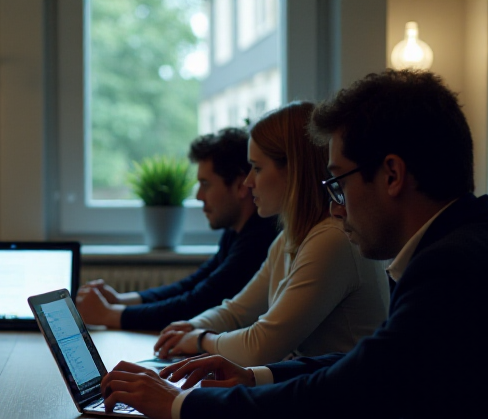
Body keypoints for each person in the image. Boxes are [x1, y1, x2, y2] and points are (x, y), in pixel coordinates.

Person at [99, 70, 488, 419]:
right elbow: (370, 364)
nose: (334, 205)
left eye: (339, 183)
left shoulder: (455, 268)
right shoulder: (468, 246)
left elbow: (339, 401)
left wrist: (181, 405)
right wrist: (253, 376)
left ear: (391, 175)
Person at [152, 102, 388, 367]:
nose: (248, 181)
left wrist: (199, 339)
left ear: (293, 171)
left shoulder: (332, 240)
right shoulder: (289, 239)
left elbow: (259, 347)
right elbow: (237, 311)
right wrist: (191, 326)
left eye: (257, 168)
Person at [75, 128, 279, 331]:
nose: (199, 196)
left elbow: (197, 304)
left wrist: (108, 314)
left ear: (240, 185)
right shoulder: (237, 232)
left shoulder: (258, 239)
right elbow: (193, 285)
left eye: (205, 184)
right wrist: (122, 300)